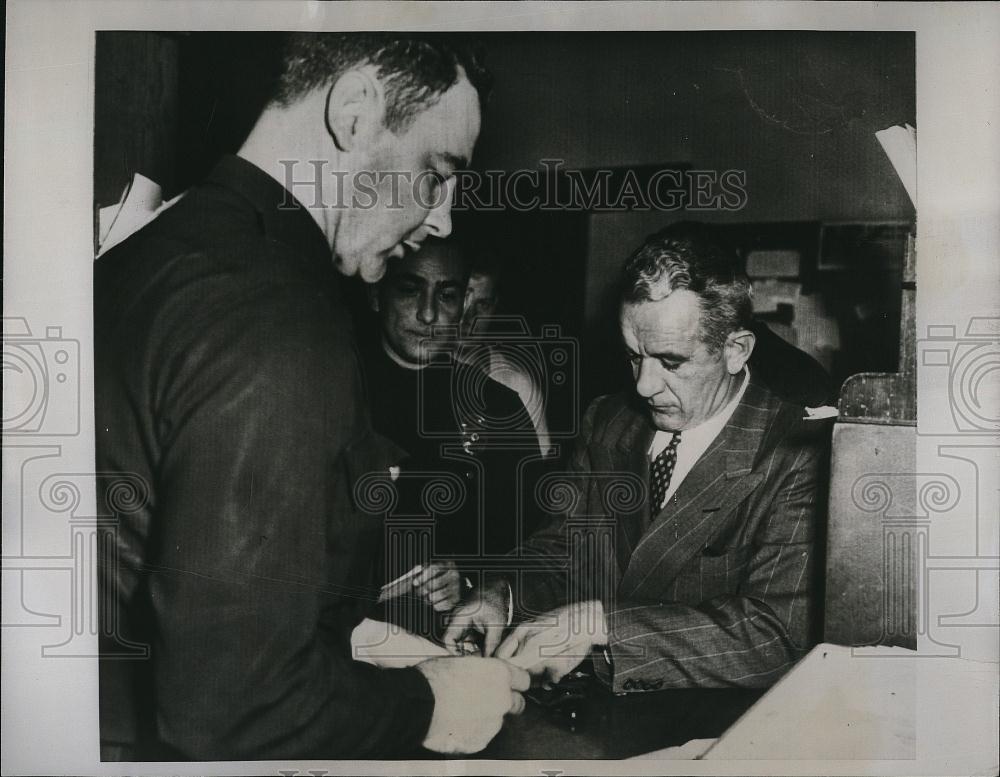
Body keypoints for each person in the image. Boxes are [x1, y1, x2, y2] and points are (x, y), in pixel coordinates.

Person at [95, 33, 529, 761]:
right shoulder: (279, 316)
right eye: (437, 172)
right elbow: (231, 706)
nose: (443, 218)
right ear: (356, 111)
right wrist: (436, 699)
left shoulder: (152, 252)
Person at [445, 224, 831, 689]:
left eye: (671, 362)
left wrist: (602, 628)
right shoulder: (608, 420)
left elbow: (775, 638)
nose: (644, 386)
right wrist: (501, 594)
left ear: (736, 350)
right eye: (633, 357)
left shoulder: (798, 454)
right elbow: (562, 549)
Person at [362, 239, 541, 580]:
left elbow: (530, 541)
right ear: (375, 294)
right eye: (410, 290)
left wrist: (469, 575)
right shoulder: (334, 391)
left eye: (446, 295)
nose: (428, 313)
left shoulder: (497, 407)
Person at [459, 247, 554, 455]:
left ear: (494, 307)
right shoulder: (416, 367)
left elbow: (538, 471)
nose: (469, 318)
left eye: (482, 304)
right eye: (461, 300)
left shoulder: (518, 383)